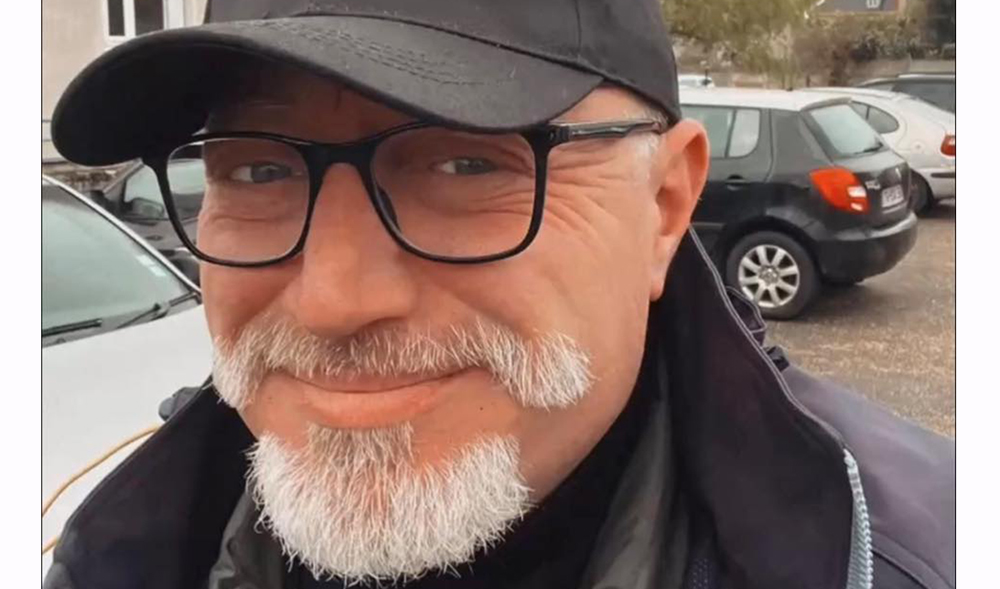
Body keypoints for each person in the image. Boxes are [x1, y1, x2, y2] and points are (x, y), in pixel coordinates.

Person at [46, 1, 955, 588]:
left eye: (465, 163)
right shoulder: (122, 551)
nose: (333, 299)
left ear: (665, 204)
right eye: (257, 171)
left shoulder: (920, 555)